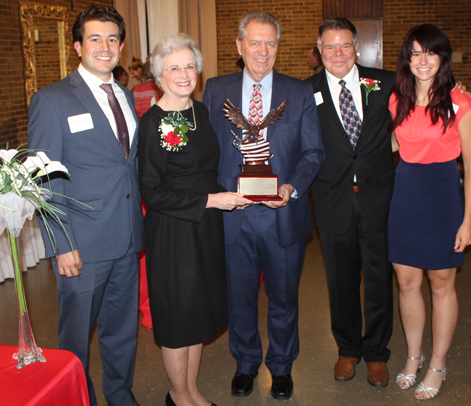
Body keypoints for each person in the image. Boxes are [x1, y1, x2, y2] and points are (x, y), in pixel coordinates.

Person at [203, 10, 325, 400]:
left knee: (285, 298)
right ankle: (246, 363)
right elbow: (205, 153)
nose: (263, 50)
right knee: (239, 297)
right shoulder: (214, 89)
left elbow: (313, 152)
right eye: (254, 42)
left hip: (282, 215)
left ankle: (283, 366)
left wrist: (290, 187)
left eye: (270, 42)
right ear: (239, 46)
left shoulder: (299, 92)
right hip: (233, 216)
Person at [27, 6, 143, 406]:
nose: (104, 46)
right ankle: (75, 398)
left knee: (123, 330)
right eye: (94, 39)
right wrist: (61, 244)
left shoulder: (126, 97)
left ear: (122, 46)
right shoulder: (52, 100)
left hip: (127, 238)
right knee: (75, 337)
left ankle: (120, 393)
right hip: (83, 245)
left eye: (112, 39)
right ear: (78, 46)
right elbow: (45, 181)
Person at [138, 33, 253, 406]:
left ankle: (190, 390)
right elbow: (153, 192)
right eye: (173, 68)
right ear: (159, 75)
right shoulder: (152, 123)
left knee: (199, 311)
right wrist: (213, 199)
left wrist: (234, 193)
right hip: (173, 231)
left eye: (189, 66)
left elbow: (208, 170)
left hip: (205, 225)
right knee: (178, 317)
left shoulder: (200, 112)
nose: (183, 74)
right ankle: (178, 394)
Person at [389, 24, 471, 400]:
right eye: (415, 53)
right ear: (407, 59)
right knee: (408, 283)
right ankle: (413, 357)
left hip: (443, 198)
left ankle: (438, 363)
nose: (422, 60)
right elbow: (394, 145)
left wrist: (467, 220)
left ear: (442, 56)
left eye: (430, 52)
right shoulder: (399, 98)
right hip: (405, 195)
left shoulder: (461, 102)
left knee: (442, 285)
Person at [306, 17, 396, 387]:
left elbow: (427, 96)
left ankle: (376, 353)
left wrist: (459, 94)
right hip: (332, 199)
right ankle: (348, 349)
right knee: (340, 282)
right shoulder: (304, 91)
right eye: (330, 46)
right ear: (319, 50)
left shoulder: (386, 82)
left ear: (356, 47)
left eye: (345, 45)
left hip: (378, 197)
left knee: (378, 279)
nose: (338, 53)